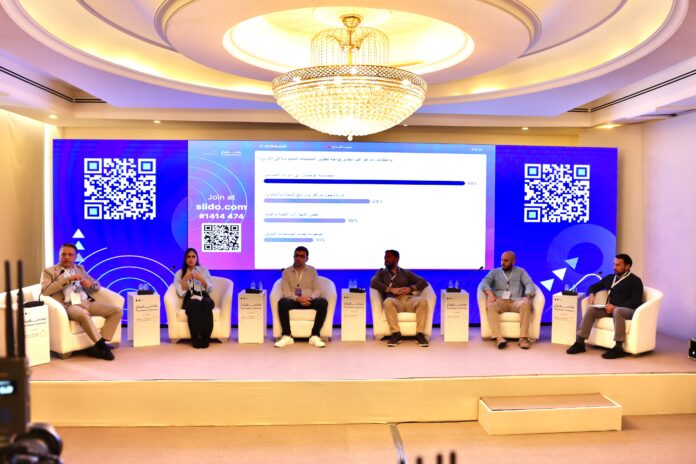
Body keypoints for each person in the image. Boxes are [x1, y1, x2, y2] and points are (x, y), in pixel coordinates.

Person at [41, 243, 123, 360]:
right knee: (84, 315)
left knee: (117, 311)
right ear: (59, 256)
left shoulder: (80, 269)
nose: (66, 257)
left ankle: (99, 345)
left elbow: (97, 285)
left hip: (86, 302)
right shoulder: (49, 271)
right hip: (69, 305)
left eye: (70, 255)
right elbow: (45, 291)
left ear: (75, 257)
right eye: (63, 254)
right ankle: (102, 346)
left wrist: (90, 284)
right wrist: (67, 280)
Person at [567, 253, 644, 359]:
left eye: (618, 265)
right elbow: (594, 286)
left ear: (627, 266)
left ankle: (618, 348)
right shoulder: (610, 278)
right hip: (610, 309)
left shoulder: (635, 281)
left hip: (628, 310)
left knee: (618, 311)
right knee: (591, 310)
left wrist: (615, 307)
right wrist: (592, 293)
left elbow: (635, 301)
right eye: (614, 264)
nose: (614, 267)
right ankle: (579, 343)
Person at [370, 249, 430, 347]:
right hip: (394, 301)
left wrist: (411, 288)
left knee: (422, 301)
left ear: (396, 259)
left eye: (388, 257)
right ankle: (396, 334)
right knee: (388, 302)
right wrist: (390, 290)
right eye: (385, 258)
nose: (386, 260)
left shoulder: (405, 273)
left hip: (408, 300)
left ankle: (419, 334)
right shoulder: (382, 273)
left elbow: (423, 282)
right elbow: (373, 282)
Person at [274, 246, 328, 348]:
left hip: (309, 300)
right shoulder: (286, 272)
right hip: (294, 301)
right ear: (293, 257)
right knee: (282, 302)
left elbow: (317, 290)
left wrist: (310, 298)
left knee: (322, 302)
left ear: (307, 258)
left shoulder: (312, 270)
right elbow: (286, 292)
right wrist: (298, 299)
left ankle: (315, 335)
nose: (298, 258)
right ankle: (287, 336)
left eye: (302, 256)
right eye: (296, 255)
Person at [480, 251, 536, 349]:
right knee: (491, 305)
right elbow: (484, 282)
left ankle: (523, 338)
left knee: (526, 304)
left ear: (513, 261)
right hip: (500, 301)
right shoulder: (495, 272)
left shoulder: (520, 271)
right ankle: (499, 338)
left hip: (516, 301)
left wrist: (527, 295)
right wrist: (490, 294)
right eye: (502, 260)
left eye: (506, 261)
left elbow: (529, 283)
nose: (503, 263)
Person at [174, 248, 215, 349]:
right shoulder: (179, 273)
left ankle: (206, 339)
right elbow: (181, 293)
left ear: (197, 258)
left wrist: (201, 279)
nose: (191, 259)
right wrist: (184, 280)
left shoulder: (203, 270)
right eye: (188, 257)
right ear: (185, 259)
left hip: (204, 295)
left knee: (206, 303)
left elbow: (210, 288)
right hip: (190, 298)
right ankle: (195, 339)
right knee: (194, 303)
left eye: (193, 257)